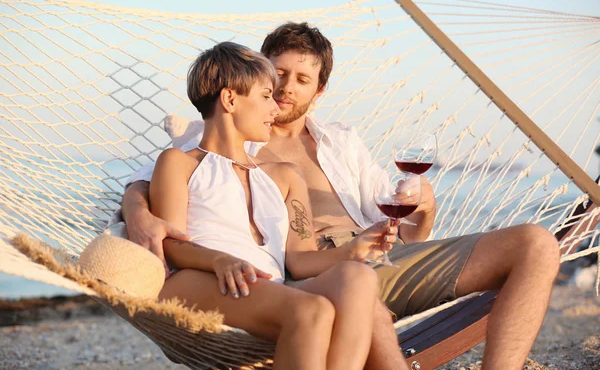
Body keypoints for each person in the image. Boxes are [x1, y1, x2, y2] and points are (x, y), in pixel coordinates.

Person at [121, 22, 560, 369]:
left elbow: (405, 234)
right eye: (275, 81)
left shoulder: (334, 145)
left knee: (536, 244)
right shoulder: (199, 142)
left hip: (360, 260)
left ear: (320, 90)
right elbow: (146, 189)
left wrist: (416, 209)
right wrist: (139, 214)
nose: (284, 93)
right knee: (351, 293)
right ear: (239, 92)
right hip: (296, 279)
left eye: (301, 80)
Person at [150, 41, 408, 370]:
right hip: (198, 279)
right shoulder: (179, 163)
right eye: (266, 95)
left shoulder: (285, 176)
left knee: (358, 278)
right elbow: (170, 243)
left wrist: (355, 249)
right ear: (230, 99)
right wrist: (219, 260)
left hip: (268, 287)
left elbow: (299, 262)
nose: (275, 107)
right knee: (313, 311)